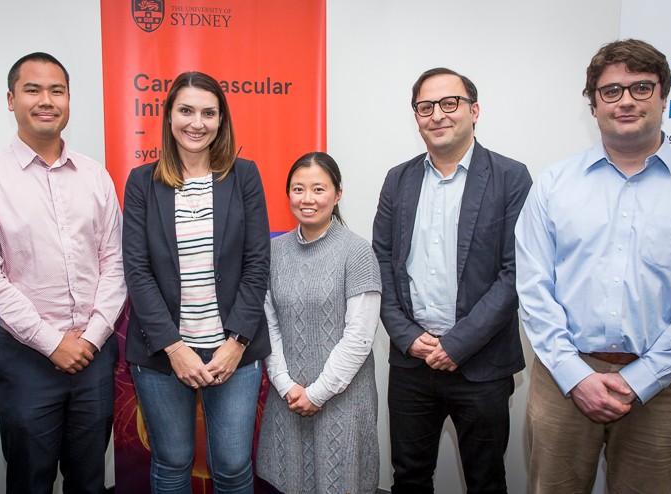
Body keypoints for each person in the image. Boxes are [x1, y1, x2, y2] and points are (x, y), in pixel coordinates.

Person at [516, 38, 671, 493]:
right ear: (593, 103)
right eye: (611, 91)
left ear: (663, 95)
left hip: (665, 387)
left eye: (641, 88)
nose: (626, 101)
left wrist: (642, 378)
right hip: (564, 379)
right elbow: (533, 287)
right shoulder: (553, 186)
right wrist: (576, 375)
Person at [0, 52, 125, 494]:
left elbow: (115, 263)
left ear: (69, 100)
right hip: (25, 357)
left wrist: (89, 339)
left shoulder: (96, 176)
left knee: (89, 480)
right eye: (32, 90)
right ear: (11, 99)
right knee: (30, 480)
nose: (45, 100)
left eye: (57, 90)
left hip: (93, 354)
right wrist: (52, 343)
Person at [373, 68, 532, 494]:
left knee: (485, 481)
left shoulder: (511, 177)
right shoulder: (398, 179)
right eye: (426, 107)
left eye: (450, 104)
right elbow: (382, 264)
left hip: (481, 367)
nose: (437, 115)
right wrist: (407, 336)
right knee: (408, 477)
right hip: (412, 364)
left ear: (474, 110)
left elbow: (513, 273)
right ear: (416, 117)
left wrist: (456, 344)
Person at [122, 70, 270, 494]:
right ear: (168, 116)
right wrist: (174, 348)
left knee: (233, 466)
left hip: (233, 353)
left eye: (209, 113)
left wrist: (236, 342)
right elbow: (138, 270)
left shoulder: (244, 176)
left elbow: (258, 263)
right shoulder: (142, 182)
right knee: (171, 463)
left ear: (222, 120)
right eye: (186, 110)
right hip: (162, 352)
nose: (196, 123)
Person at [256, 152, 382, 493]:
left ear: (338, 194)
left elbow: (359, 337)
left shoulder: (357, 252)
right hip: (290, 398)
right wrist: (286, 385)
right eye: (298, 189)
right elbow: (269, 326)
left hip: (342, 398)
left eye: (318, 189)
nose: (307, 199)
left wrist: (318, 393)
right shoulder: (273, 252)